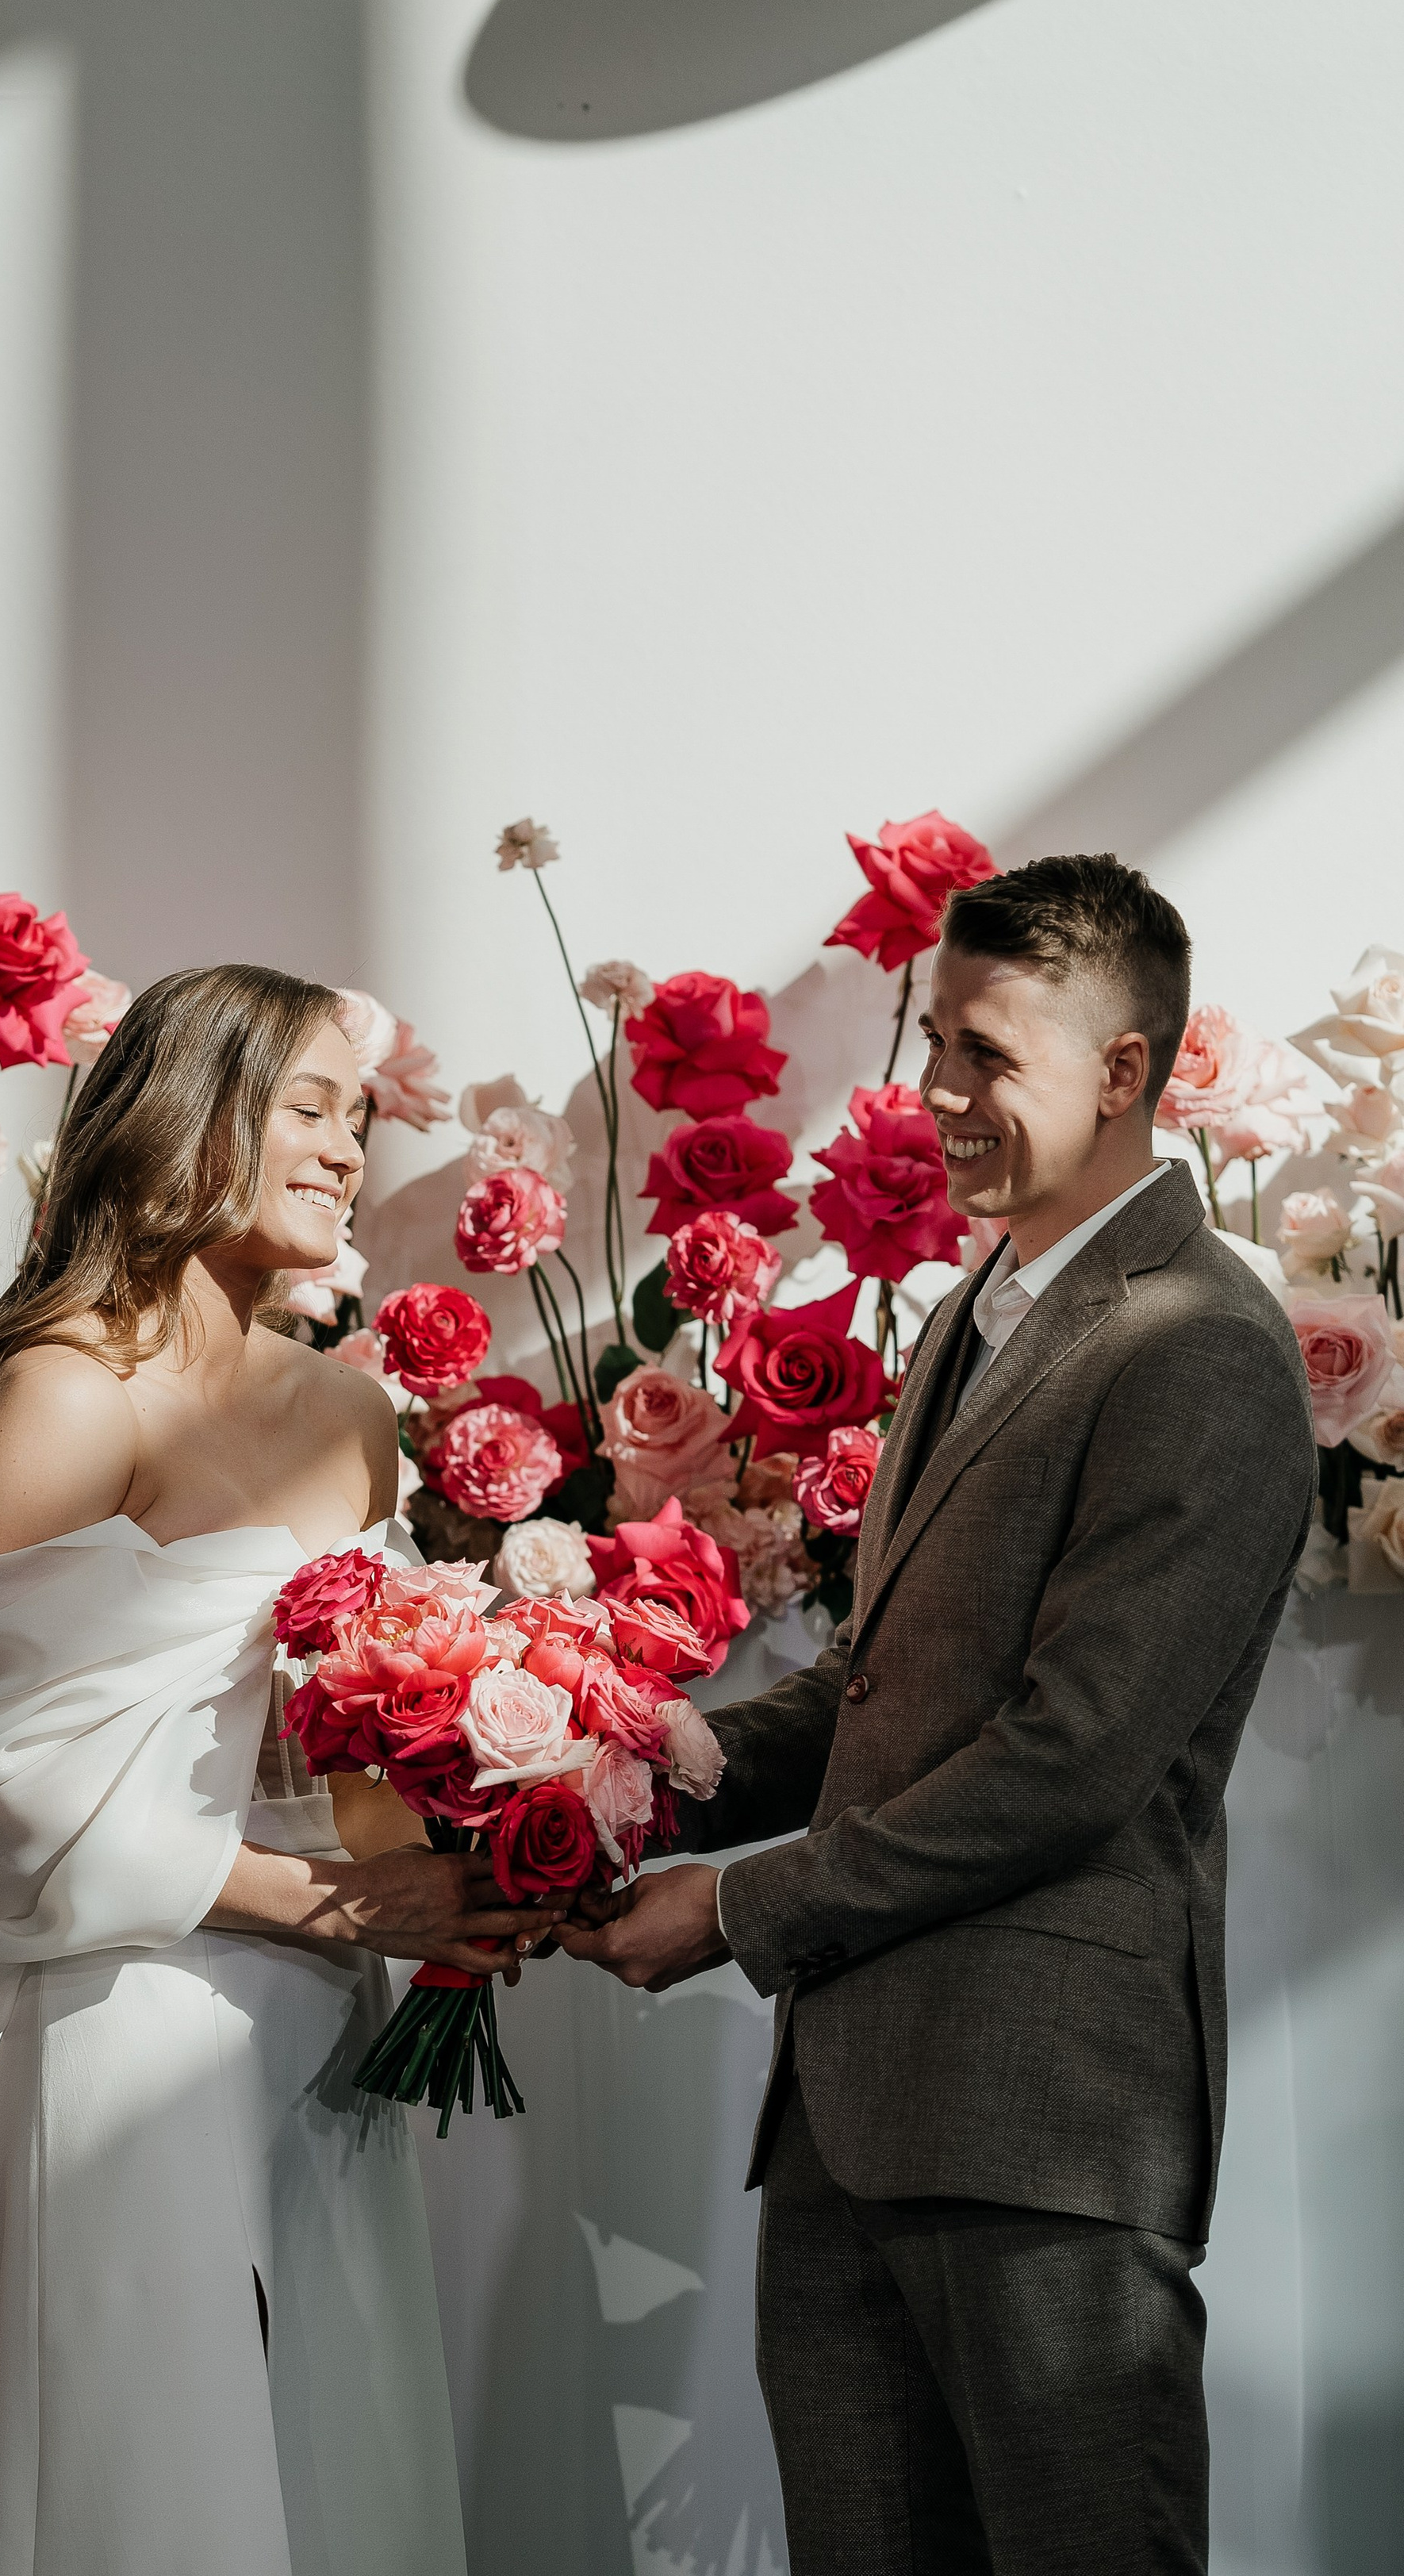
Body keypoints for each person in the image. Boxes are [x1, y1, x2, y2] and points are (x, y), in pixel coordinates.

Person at [560, 853, 1315, 2576]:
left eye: (983, 1055)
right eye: (935, 1047)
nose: (936, 1096)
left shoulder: (1195, 1340)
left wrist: (735, 1908)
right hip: (848, 2119)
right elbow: (885, 1691)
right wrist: (640, 1777)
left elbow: (1069, 1760)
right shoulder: (981, 1313)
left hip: (1042, 2132)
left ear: (1120, 1071)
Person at [0, 966, 554, 2576]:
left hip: (325, 2032)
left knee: (338, 2470)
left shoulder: (347, 1412)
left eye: (356, 1119)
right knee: (151, 2481)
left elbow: (351, 1718)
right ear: (190, 1124)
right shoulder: (63, 1394)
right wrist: (335, 1903)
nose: (344, 1152)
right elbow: (8, 1790)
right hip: (132, 2008)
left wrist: (473, 1842)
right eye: (307, 1110)